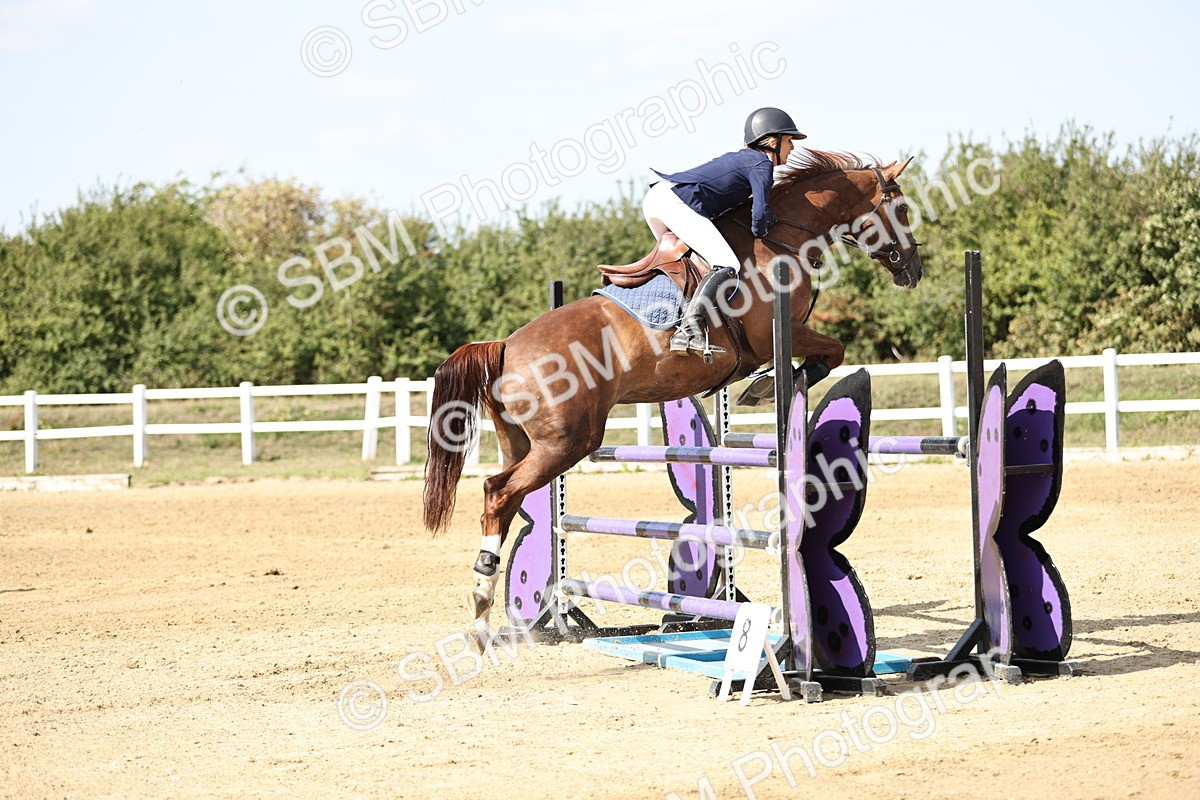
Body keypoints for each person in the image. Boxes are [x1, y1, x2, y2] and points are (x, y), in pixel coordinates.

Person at [644, 107, 805, 357]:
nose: (792, 148)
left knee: (693, 266)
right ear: (772, 142)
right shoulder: (762, 164)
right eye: (789, 140)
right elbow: (758, 218)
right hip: (674, 202)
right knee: (726, 263)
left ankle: (670, 320)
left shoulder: (745, 158)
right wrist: (768, 225)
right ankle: (689, 330)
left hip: (658, 198)